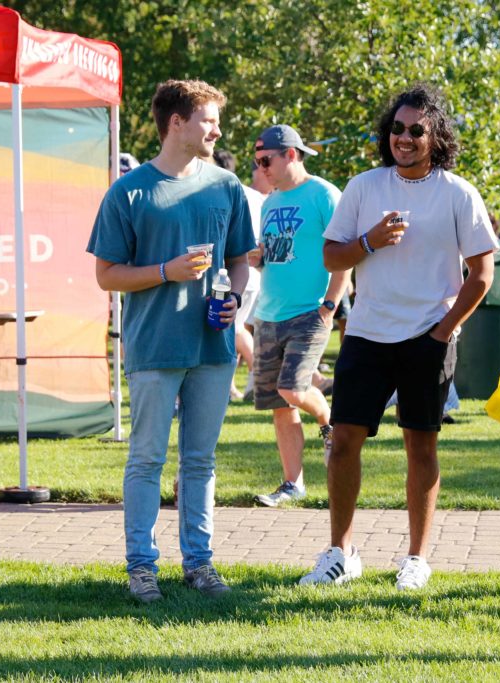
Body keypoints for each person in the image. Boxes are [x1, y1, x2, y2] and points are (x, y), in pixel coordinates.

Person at [304, 83, 498, 589]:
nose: (404, 138)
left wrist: (443, 331)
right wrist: (370, 241)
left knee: (421, 447)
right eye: (397, 128)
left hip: (427, 339)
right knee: (343, 441)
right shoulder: (365, 186)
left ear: (436, 137)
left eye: (417, 130)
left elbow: (482, 274)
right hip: (367, 335)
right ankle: (340, 552)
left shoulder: (458, 193)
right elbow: (331, 257)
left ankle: (416, 558)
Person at [87, 79, 254, 603]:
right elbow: (107, 276)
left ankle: (199, 564)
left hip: (212, 346)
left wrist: (236, 302)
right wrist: (166, 271)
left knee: (200, 461)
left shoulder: (225, 186)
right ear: (176, 122)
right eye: (208, 119)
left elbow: (240, 263)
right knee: (147, 459)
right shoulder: (129, 191)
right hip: (155, 345)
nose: (217, 129)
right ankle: (142, 568)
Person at [248, 124, 350, 507]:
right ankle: (293, 485)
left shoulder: (324, 194)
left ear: (291, 154)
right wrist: (258, 259)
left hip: (311, 311)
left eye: (265, 160)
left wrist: (330, 304)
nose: (261, 169)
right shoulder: (271, 202)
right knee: (279, 406)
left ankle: (327, 418)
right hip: (268, 313)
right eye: (257, 162)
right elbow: (276, 255)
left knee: (291, 390)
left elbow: (344, 256)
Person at [211, 149, 262, 403]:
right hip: (252, 274)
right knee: (232, 328)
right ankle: (234, 385)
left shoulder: (225, 192)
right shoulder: (253, 195)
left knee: (234, 329)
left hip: (236, 274)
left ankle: (260, 375)